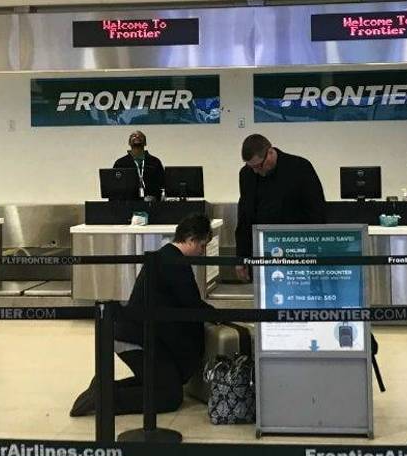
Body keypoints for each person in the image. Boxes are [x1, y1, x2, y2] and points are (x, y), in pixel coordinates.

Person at [69, 214, 216, 416]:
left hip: (130, 332)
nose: (202, 252)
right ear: (191, 240)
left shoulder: (162, 256)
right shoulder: (175, 264)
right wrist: (220, 316)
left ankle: (103, 388)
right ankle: (106, 399)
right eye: (202, 245)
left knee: (160, 382)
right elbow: (191, 305)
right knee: (169, 396)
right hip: (138, 338)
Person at [234, 134, 327, 260]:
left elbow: (316, 210)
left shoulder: (299, 168)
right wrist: (241, 256)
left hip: (298, 247)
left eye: (258, 166)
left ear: (270, 152)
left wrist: (315, 249)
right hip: (262, 248)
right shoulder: (247, 174)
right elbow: (245, 216)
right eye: (250, 166)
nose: (255, 171)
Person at [112, 130, 165, 200]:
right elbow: (113, 187)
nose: (137, 136)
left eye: (140, 136)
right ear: (129, 143)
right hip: (127, 204)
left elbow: (162, 184)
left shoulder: (155, 162)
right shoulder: (120, 163)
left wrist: (156, 197)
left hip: (151, 203)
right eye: (133, 136)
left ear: (145, 143)